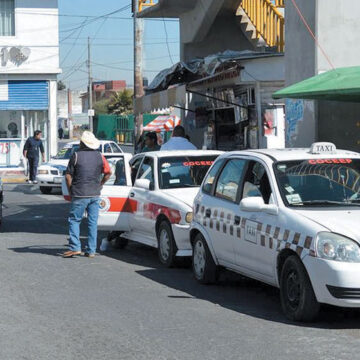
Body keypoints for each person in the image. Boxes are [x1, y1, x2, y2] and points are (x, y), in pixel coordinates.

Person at [62, 131, 112, 258]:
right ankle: (91, 250)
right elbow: (108, 172)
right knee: (92, 222)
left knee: (74, 220)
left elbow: (68, 176)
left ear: (82, 143)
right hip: (95, 194)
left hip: (79, 193)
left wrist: (70, 191)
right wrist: (100, 183)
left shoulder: (76, 155)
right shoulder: (100, 156)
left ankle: (75, 247)